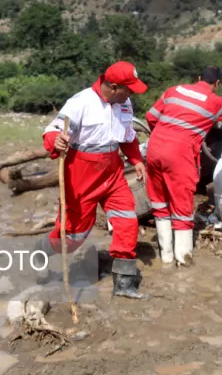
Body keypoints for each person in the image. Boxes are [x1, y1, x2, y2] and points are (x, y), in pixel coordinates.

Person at [33, 61, 150, 299]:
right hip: (81, 172)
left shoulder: (124, 102)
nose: (131, 94)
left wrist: (136, 159)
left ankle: (124, 284)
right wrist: (55, 140)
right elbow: (52, 129)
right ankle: (41, 253)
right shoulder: (80, 102)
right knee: (74, 235)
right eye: (128, 89)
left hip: (113, 170)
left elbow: (127, 136)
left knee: (127, 220)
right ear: (114, 87)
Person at [145, 65, 222, 266]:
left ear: (198, 77)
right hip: (179, 154)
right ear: (217, 84)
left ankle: (165, 258)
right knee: (182, 206)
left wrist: (164, 136)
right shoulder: (215, 102)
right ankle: (183, 261)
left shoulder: (174, 90)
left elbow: (150, 117)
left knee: (159, 202)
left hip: (154, 149)